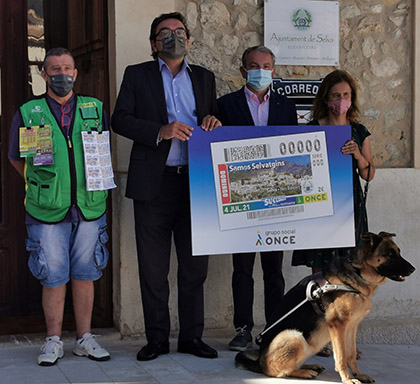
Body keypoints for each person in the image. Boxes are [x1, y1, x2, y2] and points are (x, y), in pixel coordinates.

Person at [111, 12, 221, 361]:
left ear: (189, 39)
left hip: (195, 181)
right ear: (153, 43)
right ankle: (157, 339)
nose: (173, 37)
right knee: (153, 268)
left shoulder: (204, 77)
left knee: (194, 267)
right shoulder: (136, 74)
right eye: (165, 33)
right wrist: (162, 130)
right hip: (153, 184)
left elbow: (214, 119)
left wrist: (212, 120)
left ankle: (191, 338)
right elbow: (120, 119)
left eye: (179, 31)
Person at [8, 47, 111, 366]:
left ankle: (84, 338)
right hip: (47, 210)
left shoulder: (94, 108)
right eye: (55, 70)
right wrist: (45, 187)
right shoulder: (30, 111)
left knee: (86, 274)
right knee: (53, 276)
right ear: (44, 74)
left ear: (76, 73)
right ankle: (53, 341)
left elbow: (104, 151)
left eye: (67, 68)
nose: (62, 75)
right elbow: (16, 157)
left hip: (89, 206)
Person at [217, 46, 298, 351]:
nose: (260, 70)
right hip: (241, 201)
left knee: (274, 271)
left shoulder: (286, 107)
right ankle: (242, 329)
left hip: (277, 200)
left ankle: (275, 326)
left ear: (273, 70)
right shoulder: (225, 105)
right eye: (253, 65)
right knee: (242, 269)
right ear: (242, 71)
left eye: (266, 65)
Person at [291, 69, 375, 357]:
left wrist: (358, 156)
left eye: (347, 95)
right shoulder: (312, 127)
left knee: (350, 274)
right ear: (326, 99)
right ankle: (322, 337)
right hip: (319, 206)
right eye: (337, 95)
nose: (342, 100)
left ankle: (348, 340)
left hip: (350, 208)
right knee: (321, 274)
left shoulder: (359, 132)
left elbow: (369, 174)